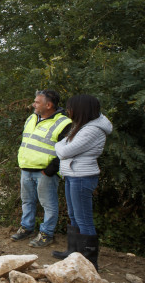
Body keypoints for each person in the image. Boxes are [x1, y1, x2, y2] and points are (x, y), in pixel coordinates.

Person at [51, 94, 111, 270]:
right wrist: (61, 147)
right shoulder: (81, 126)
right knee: (73, 215)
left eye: (70, 108)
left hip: (82, 176)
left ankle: (89, 263)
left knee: (84, 219)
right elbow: (62, 144)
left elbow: (63, 150)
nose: (68, 111)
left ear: (81, 109)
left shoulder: (93, 130)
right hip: (72, 174)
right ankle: (73, 253)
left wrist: (60, 148)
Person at [11, 89, 72, 248]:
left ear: (49, 105)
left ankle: (46, 234)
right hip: (26, 168)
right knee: (27, 201)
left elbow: (68, 149)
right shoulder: (31, 118)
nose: (33, 104)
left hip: (45, 172)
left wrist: (52, 168)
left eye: (37, 102)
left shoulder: (64, 123)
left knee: (49, 204)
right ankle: (26, 227)